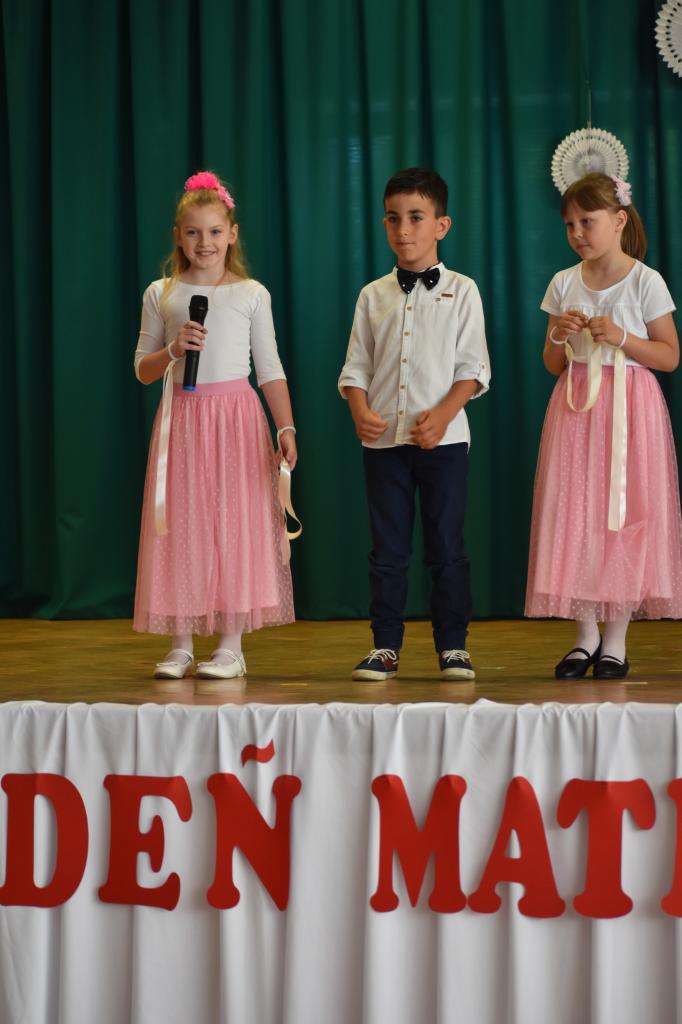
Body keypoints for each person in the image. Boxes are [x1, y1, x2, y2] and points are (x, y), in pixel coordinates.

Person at [133, 171, 297, 680]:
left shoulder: (251, 293)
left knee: (235, 524)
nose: (204, 242)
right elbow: (142, 369)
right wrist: (172, 349)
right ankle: (181, 643)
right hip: (182, 421)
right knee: (180, 525)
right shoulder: (162, 293)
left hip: (237, 421)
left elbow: (269, 369)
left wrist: (286, 429)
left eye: (214, 231)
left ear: (232, 234)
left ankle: (231, 646)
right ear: (178, 236)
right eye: (193, 232)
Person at [526, 171, 682, 679]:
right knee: (577, 515)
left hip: (630, 410)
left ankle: (616, 641)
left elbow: (669, 356)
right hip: (576, 408)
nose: (577, 233)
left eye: (587, 221)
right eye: (569, 225)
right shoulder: (563, 282)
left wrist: (622, 338)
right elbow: (552, 363)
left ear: (618, 221)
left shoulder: (645, 281)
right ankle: (585, 635)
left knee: (625, 514)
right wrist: (559, 334)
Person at [338, 167, 491, 681]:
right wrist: (360, 410)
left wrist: (443, 416)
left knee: (446, 547)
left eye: (416, 217)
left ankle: (453, 646)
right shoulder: (372, 295)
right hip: (383, 445)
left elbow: (473, 369)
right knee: (387, 550)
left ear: (441, 225)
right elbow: (356, 367)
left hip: (444, 444)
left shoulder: (463, 291)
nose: (403, 229)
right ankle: (385, 646)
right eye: (393, 218)